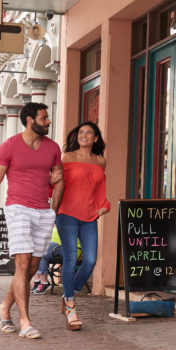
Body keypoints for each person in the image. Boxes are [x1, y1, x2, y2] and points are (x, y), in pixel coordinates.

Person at [0, 102, 64, 339]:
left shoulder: (53, 148)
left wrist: (53, 211)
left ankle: (4, 307)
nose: (48, 122)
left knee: (30, 267)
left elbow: (59, 180)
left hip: (42, 211)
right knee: (23, 262)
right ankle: (25, 321)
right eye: (44, 118)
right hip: (17, 208)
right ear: (30, 120)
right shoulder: (8, 147)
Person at [54, 121, 111, 331]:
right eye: (81, 132)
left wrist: (104, 206)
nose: (84, 135)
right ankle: (70, 306)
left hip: (89, 216)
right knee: (70, 259)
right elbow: (55, 184)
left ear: (96, 138)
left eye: (89, 133)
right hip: (66, 214)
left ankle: (70, 292)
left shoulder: (100, 161)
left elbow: (100, 188)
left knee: (90, 260)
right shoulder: (66, 158)